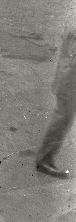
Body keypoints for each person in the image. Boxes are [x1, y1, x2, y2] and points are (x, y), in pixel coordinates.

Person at [37, 19, 76, 179]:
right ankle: (45, 160)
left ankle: (45, 158)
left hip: (67, 79)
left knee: (63, 118)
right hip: (69, 82)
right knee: (63, 118)